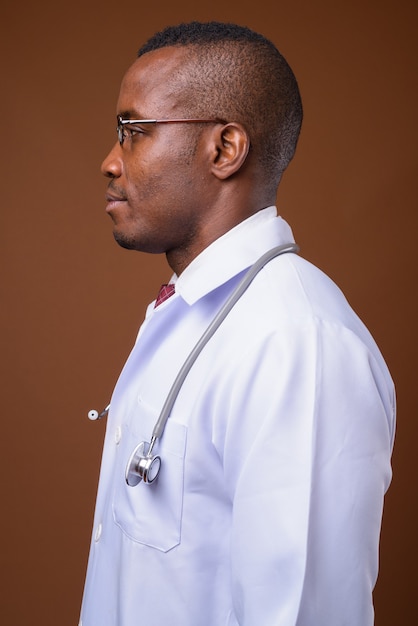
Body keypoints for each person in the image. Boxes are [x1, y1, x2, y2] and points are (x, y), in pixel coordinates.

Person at [79, 21, 396, 626]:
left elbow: (303, 613)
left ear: (224, 149)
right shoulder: (190, 314)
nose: (109, 162)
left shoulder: (296, 344)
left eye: (134, 131)